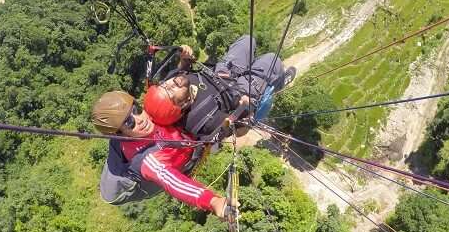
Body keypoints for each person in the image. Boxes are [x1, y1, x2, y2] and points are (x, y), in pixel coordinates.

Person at [92, 90, 228, 217]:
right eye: (129, 122)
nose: (139, 119)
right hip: (185, 154)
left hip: (185, 140)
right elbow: (173, 182)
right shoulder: (147, 160)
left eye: (136, 110)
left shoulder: (150, 113)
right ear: (121, 135)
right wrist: (212, 202)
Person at [145, 35, 296, 140]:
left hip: (222, 72)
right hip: (239, 92)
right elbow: (239, 130)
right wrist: (246, 110)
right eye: (171, 91)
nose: (171, 83)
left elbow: (182, 69)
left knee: (247, 40)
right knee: (272, 60)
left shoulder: (174, 81)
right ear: (182, 105)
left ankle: (270, 74)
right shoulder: (202, 121)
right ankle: (280, 81)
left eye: (165, 85)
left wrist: (184, 59)